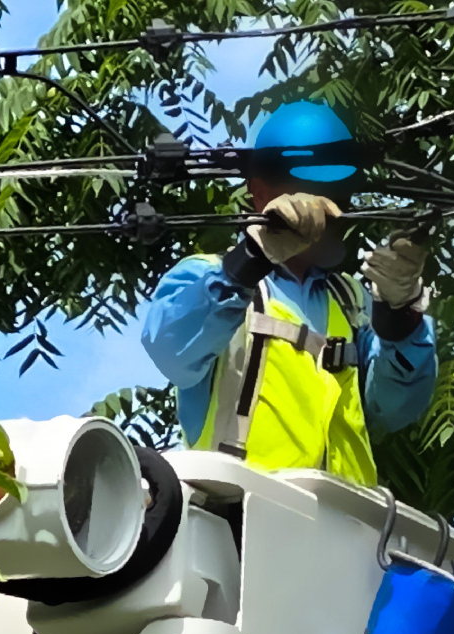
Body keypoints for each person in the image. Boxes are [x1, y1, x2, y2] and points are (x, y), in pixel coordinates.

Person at [142, 101, 436, 487]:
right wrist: (250, 258)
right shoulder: (212, 278)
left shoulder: (350, 302)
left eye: (337, 192)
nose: (328, 209)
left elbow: (394, 411)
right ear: (260, 193)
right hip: (241, 518)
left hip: (346, 523)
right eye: (311, 191)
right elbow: (171, 352)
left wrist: (400, 316)